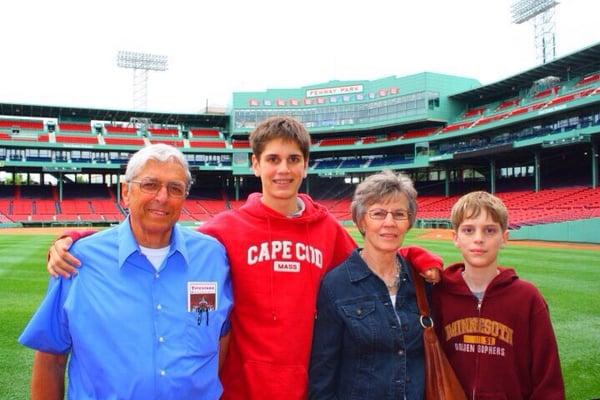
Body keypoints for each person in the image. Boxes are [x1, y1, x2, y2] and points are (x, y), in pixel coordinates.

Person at [46, 116, 441, 399]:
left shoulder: (326, 230)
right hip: (241, 387)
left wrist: (414, 254)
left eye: (292, 159)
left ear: (306, 165)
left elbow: (371, 259)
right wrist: (79, 238)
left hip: (309, 384)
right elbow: (162, 234)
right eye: (272, 159)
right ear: (255, 164)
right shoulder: (226, 229)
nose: (282, 169)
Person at [19, 144, 233, 399]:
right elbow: (50, 358)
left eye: (175, 188)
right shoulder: (77, 260)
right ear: (126, 192)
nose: (162, 197)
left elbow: (222, 337)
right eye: (150, 185)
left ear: (184, 197)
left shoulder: (212, 257)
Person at [309, 170, 441, 399]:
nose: (389, 223)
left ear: (409, 221)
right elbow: (323, 375)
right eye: (378, 213)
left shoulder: (422, 280)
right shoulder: (336, 285)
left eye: (399, 214)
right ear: (361, 221)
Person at [431, 191, 565, 399]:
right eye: (468, 230)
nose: (478, 239)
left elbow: (548, 378)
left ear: (504, 238)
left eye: (490, 230)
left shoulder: (527, 298)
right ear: (455, 238)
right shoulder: (438, 294)